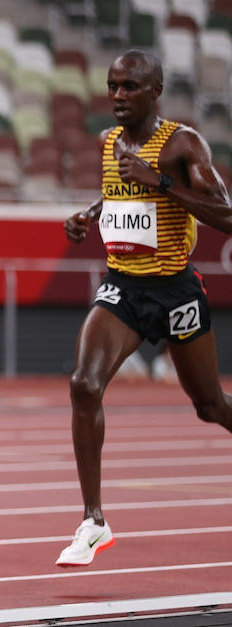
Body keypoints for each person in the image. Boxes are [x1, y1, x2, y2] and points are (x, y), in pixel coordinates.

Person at [58, 49, 232, 567]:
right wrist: (88, 215)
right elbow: (117, 194)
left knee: (210, 406)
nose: (118, 96)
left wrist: (160, 181)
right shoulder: (108, 141)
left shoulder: (182, 143)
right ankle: (94, 522)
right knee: (84, 384)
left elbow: (226, 215)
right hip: (124, 288)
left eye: (130, 87)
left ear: (155, 91)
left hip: (176, 290)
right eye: (113, 86)